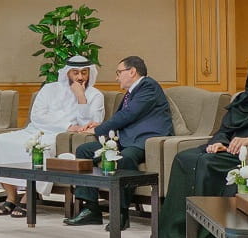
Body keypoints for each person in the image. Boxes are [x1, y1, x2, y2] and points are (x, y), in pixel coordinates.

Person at [153, 55, 248, 238]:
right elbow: (225, 130)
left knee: (206, 163)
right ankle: (178, 228)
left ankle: (204, 230)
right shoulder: (243, 98)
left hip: (246, 154)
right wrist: (219, 143)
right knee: (184, 158)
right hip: (228, 149)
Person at [0, 57, 105, 217]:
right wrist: (67, 125)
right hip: (35, 130)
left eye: (84, 73)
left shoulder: (95, 95)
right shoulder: (50, 89)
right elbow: (37, 116)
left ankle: (27, 198)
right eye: (75, 72)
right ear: (67, 73)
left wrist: (81, 98)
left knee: (40, 150)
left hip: (59, 136)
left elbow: (90, 125)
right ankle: (11, 197)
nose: (80, 77)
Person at [65, 55, 174, 227]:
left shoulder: (148, 86)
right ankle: (91, 209)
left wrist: (98, 130)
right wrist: (101, 126)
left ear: (132, 71)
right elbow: (124, 117)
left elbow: (129, 115)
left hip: (146, 139)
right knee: (84, 150)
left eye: (119, 72)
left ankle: (121, 212)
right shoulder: (131, 93)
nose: (116, 78)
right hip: (125, 139)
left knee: (125, 157)